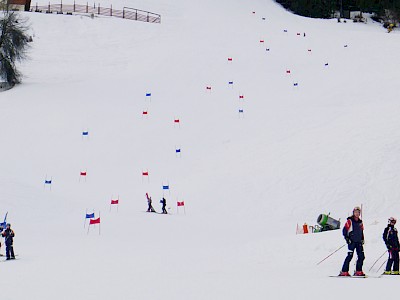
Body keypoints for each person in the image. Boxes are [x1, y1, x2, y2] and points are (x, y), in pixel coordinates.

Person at [339, 206, 365, 276]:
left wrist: (362, 239)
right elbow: (344, 230)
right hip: (352, 242)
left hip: (359, 242)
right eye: (356, 212)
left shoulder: (360, 222)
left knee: (361, 256)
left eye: (358, 212)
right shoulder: (350, 221)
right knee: (350, 256)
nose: (357, 214)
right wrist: (347, 238)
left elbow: (361, 231)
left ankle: (358, 271)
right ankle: (344, 271)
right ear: (353, 213)